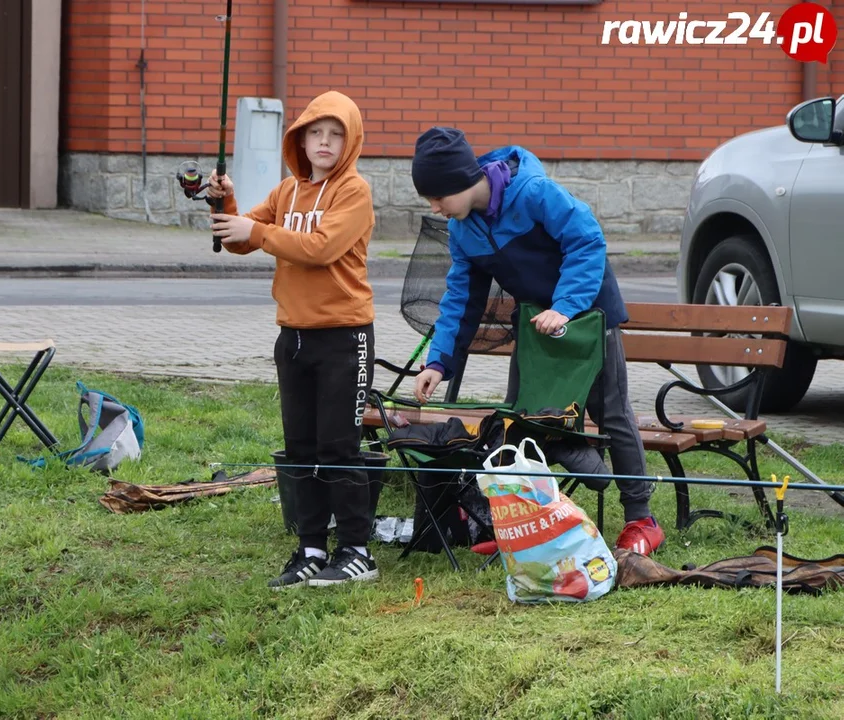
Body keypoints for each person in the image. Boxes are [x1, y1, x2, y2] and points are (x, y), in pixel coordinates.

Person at [409, 126, 665, 556]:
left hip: (587, 313)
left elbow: (587, 240)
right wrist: (438, 362)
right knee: (521, 418)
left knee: (612, 412)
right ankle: (523, 521)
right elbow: (461, 300)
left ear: (461, 180)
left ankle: (642, 520)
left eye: (438, 197)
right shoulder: (463, 230)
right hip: (535, 324)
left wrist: (566, 306)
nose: (435, 208)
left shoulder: (533, 193)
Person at [207, 90, 381, 586]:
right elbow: (240, 238)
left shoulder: (355, 192)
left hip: (346, 339)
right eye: (315, 132)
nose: (324, 142)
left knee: (339, 446)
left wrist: (255, 231)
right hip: (294, 338)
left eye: (335, 134)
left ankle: (356, 550)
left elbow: (319, 248)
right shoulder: (287, 193)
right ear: (299, 139)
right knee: (300, 446)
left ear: (350, 142)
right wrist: (229, 203)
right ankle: (309, 547)